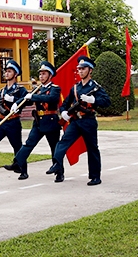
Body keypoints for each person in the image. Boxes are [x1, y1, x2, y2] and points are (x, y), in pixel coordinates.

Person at [47, 55, 110, 185]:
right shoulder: (75, 88)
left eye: (83, 68)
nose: (80, 71)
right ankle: (57, 164)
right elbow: (65, 103)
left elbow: (107, 101)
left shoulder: (95, 87)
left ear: (90, 70)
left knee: (92, 149)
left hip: (88, 121)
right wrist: (63, 112)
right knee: (63, 142)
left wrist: (94, 100)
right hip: (75, 121)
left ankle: (95, 176)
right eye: (79, 69)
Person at [4, 61, 61, 180]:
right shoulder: (37, 89)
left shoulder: (55, 88)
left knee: (54, 147)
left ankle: (59, 171)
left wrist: (33, 96)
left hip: (51, 121)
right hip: (38, 122)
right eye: (40, 74)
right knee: (29, 143)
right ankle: (17, 163)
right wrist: (17, 104)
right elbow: (26, 99)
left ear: (50, 75)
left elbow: (51, 98)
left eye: (44, 74)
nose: (41, 76)